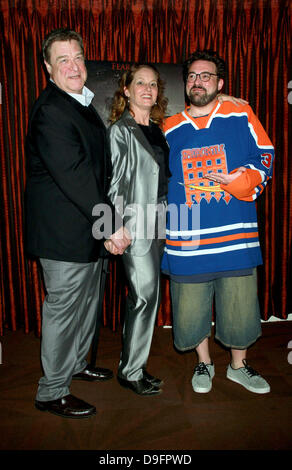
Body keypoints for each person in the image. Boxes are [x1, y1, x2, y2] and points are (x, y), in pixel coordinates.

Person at [25, 28, 130, 418]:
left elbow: (93, 169)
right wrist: (112, 224)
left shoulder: (78, 103)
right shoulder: (52, 109)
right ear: (48, 67)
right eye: (63, 59)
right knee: (64, 311)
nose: (74, 66)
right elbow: (75, 174)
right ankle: (51, 391)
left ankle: (75, 366)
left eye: (78, 57)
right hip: (62, 235)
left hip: (83, 231)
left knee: (85, 307)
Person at [162, 50, 274, 394]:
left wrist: (238, 182)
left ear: (220, 83)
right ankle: (204, 361)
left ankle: (239, 366)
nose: (198, 82)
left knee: (240, 308)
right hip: (188, 240)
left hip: (235, 237)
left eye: (206, 76)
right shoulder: (168, 127)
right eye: (193, 76)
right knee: (191, 310)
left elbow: (266, 157)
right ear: (185, 83)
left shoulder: (241, 113)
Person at [105, 64, 170, 396]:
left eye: (154, 84)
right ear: (126, 90)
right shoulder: (121, 130)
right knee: (144, 297)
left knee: (148, 297)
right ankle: (130, 372)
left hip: (160, 218)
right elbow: (114, 185)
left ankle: (134, 366)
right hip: (135, 223)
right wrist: (112, 228)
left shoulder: (158, 129)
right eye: (140, 83)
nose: (148, 88)